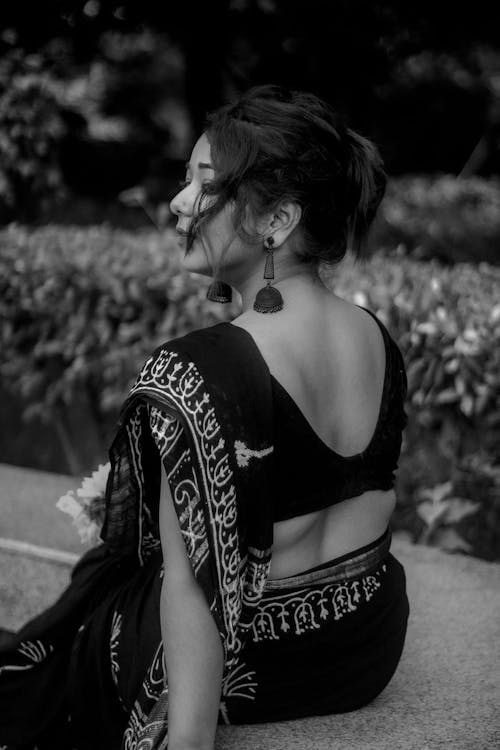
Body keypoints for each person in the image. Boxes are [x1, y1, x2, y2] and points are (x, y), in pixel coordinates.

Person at [0, 84, 409, 750]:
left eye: (203, 185)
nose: (178, 203)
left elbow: (192, 595)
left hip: (259, 668)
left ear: (276, 222)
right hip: (365, 645)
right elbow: (368, 492)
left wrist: (183, 739)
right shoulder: (374, 335)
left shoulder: (198, 369)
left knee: (101, 595)